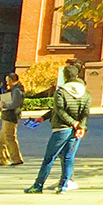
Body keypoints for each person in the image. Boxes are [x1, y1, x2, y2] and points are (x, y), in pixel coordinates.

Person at [25, 61, 90, 194]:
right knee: (68, 157)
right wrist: (80, 126)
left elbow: (60, 110)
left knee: (50, 157)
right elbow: (85, 113)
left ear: (65, 77)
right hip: (76, 131)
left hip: (61, 128)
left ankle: (38, 185)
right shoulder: (86, 93)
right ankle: (64, 185)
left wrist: (72, 123)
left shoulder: (61, 91)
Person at [0, 73, 25, 165]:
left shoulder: (17, 90)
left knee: (9, 137)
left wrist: (4, 104)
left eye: (8, 80)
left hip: (11, 116)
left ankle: (16, 159)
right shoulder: (14, 89)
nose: (7, 82)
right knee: (3, 138)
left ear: (12, 80)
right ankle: (4, 159)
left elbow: (15, 104)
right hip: (7, 116)